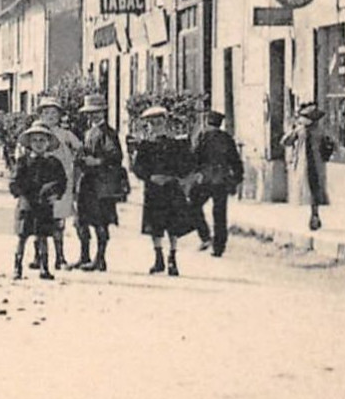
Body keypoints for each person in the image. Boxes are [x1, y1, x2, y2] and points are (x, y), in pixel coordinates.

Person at [131, 105, 201, 276]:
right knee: (155, 225)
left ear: (165, 123)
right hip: (153, 189)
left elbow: (187, 165)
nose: (156, 126)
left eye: (159, 122)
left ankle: (172, 258)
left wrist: (174, 177)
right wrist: (149, 177)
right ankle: (158, 258)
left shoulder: (176, 144)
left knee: (173, 225)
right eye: (152, 123)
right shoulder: (145, 146)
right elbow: (138, 168)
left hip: (171, 189)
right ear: (148, 126)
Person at [9, 122, 68, 280]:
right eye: (35, 141)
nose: (39, 144)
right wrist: (21, 193)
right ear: (29, 143)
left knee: (42, 236)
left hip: (44, 205)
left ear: (48, 143)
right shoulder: (23, 162)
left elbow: (61, 181)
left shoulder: (54, 163)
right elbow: (14, 181)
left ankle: (44, 267)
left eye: (42, 140)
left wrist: (55, 193)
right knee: (22, 236)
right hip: (27, 204)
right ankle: (17, 267)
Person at [73, 93, 125, 272]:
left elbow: (115, 156)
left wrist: (97, 161)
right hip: (87, 182)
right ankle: (84, 256)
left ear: (103, 112)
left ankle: (100, 258)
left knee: (100, 222)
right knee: (81, 220)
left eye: (96, 112)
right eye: (89, 113)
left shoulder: (108, 133)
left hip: (102, 184)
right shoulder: (88, 132)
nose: (92, 116)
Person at [34, 96, 81, 269]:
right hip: (40, 181)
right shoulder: (36, 133)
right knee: (39, 219)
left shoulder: (65, 134)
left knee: (58, 220)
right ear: (40, 115)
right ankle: (38, 256)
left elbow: (80, 148)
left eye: (54, 113)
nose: (50, 116)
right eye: (46, 113)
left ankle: (59, 256)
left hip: (61, 181)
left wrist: (73, 163)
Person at [191, 110, 244, 256]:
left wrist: (193, 174)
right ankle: (218, 247)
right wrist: (237, 179)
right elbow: (235, 160)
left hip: (205, 180)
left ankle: (205, 236)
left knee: (194, 205)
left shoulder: (202, 136)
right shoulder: (226, 138)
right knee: (220, 214)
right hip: (222, 180)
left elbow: (195, 156)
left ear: (208, 121)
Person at [283, 104, 333, 231]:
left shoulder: (300, 130)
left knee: (311, 190)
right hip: (317, 164)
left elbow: (285, 141)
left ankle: (314, 216)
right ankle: (315, 215)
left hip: (306, 164)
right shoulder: (320, 131)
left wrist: (292, 128)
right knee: (315, 190)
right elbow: (331, 143)